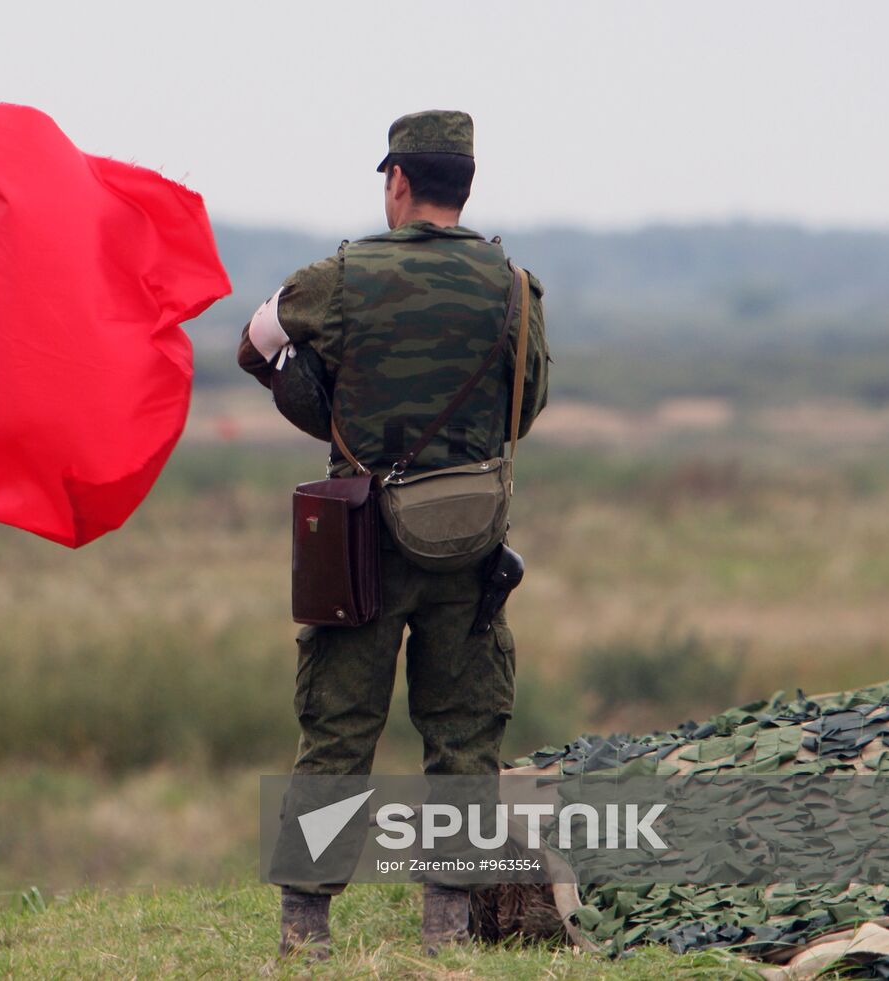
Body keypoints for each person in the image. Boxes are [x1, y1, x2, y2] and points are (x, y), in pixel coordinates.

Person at [235, 110, 550, 959]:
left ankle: (306, 929)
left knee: (337, 729)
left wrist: (327, 406)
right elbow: (529, 404)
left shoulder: (338, 278)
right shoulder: (513, 285)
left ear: (399, 182)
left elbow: (256, 346)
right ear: (466, 185)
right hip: (471, 542)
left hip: (360, 545)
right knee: (464, 730)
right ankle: (446, 924)